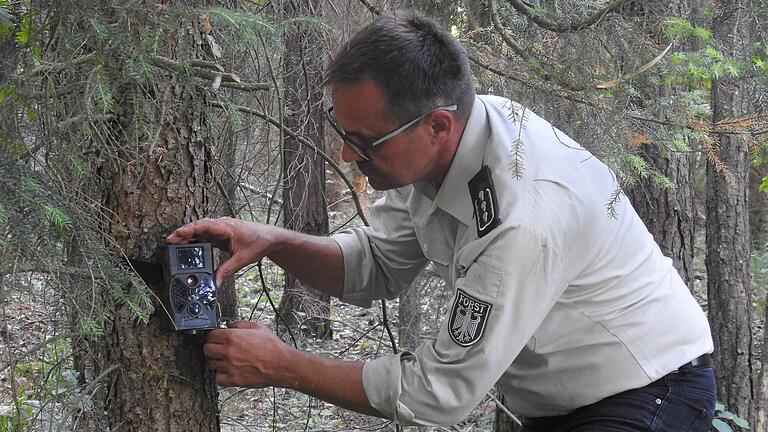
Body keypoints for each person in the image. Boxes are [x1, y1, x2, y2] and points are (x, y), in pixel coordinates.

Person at [166, 10, 717, 431]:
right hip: (561, 397)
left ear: (437, 125)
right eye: (342, 132)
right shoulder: (441, 149)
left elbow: (438, 394)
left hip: (645, 393)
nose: (347, 158)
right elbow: (377, 265)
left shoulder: (521, 217)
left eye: (364, 143)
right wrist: (273, 241)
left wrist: (281, 365)